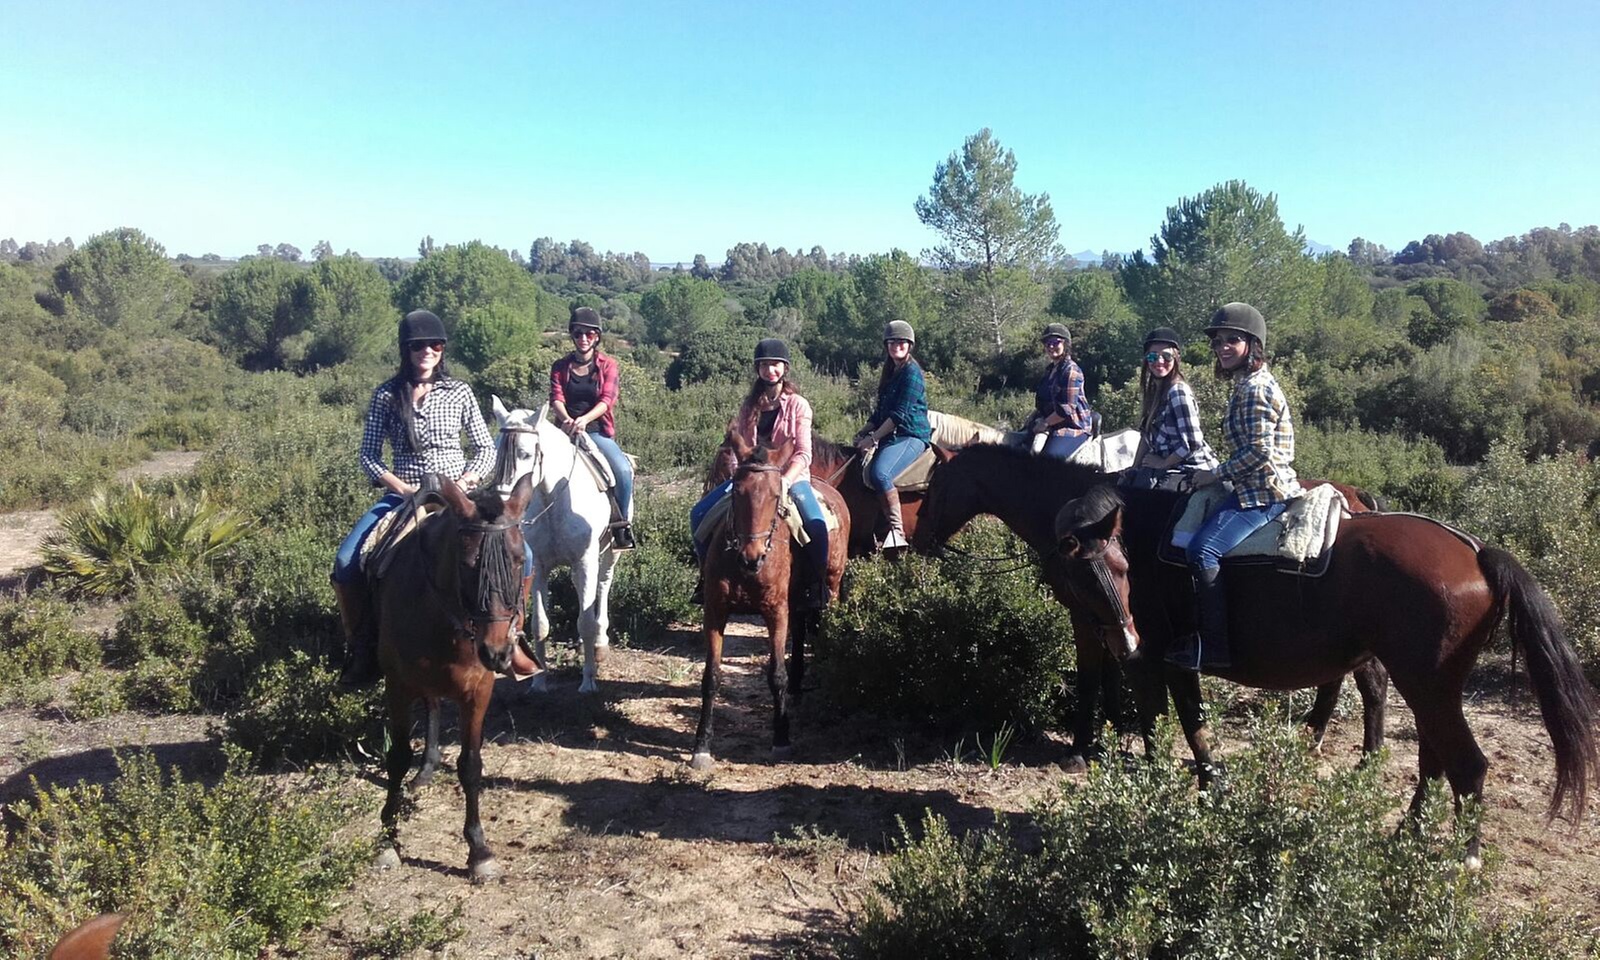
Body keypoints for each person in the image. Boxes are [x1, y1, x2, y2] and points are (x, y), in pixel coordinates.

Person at [332, 309, 502, 688]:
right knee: (346, 561)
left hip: (459, 496)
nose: (427, 351)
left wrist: (467, 481)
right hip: (405, 494)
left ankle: (512, 638)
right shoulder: (387, 395)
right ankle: (361, 647)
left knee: (519, 555)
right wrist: (402, 489)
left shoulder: (459, 392)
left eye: (435, 344)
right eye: (418, 345)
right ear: (405, 350)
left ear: (443, 350)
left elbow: (485, 449)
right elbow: (369, 456)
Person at [1167, 303, 1303, 672]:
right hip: (1248, 485)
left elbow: (1258, 452)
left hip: (1263, 493)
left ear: (1252, 345)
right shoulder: (1247, 383)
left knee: (1201, 550)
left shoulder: (1254, 390)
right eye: (1219, 341)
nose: (1222, 347)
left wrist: (1215, 474)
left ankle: (1215, 647)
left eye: (1233, 340)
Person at [690, 338, 831, 608]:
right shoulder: (749, 406)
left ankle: (817, 585)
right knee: (697, 516)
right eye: (765, 365)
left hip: (789, 478)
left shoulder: (798, 405)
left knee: (816, 524)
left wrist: (784, 481)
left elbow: (803, 453)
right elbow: (737, 450)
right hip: (750, 479)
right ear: (758, 369)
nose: (770, 371)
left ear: (785, 368)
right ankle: (705, 579)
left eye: (775, 365)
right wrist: (739, 476)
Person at [550, 306, 635, 550]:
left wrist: (585, 419)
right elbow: (556, 397)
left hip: (596, 430)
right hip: (565, 430)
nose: (584, 339)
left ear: (597, 337)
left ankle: (621, 524)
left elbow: (607, 400)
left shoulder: (608, 365)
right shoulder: (560, 366)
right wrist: (566, 419)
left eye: (589, 334)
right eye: (578, 334)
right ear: (572, 336)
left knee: (622, 471)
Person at [852, 320, 932, 551]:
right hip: (891, 435)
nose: (896, 345)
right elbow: (880, 413)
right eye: (891, 342)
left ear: (909, 345)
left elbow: (899, 414)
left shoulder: (912, 373)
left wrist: (874, 439)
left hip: (911, 435)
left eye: (901, 342)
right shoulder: (890, 373)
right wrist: (863, 431)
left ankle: (897, 531)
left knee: (880, 473)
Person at [1127, 327, 1218, 489]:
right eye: (1153, 356)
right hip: (1167, 468)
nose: (1159, 361)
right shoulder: (1155, 392)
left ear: (1176, 358)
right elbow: (1146, 438)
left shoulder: (1178, 392)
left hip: (1190, 468)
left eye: (1167, 356)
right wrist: (1134, 469)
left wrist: (1163, 463)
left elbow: (1192, 442)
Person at [1022, 322, 1094, 459]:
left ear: (1065, 344)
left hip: (1072, 427)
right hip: (1051, 423)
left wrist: (1045, 423)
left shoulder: (1071, 371)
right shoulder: (1049, 370)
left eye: (1055, 342)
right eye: (1047, 343)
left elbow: (1067, 409)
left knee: (1047, 462)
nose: (1050, 346)